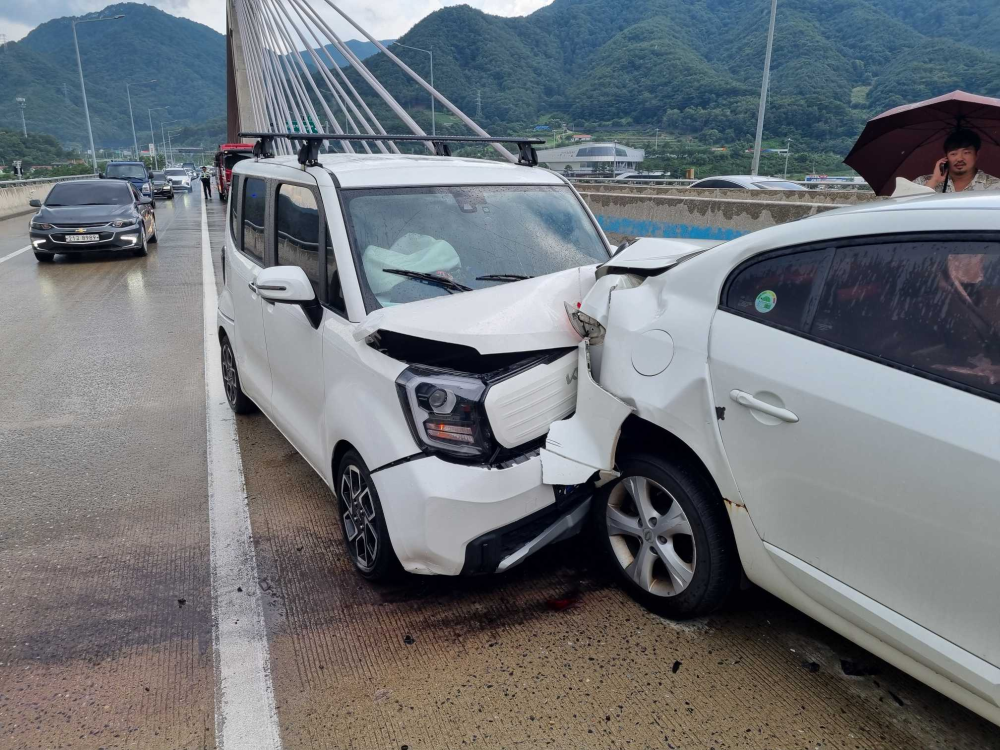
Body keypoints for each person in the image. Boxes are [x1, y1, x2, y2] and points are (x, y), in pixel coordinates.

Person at [915, 129, 1000, 193]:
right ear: (946, 156)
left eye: (966, 152)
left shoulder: (995, 186)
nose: (959, 159)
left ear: (976, 154)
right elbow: (907, 208)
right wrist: (934, 181)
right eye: (953, 153)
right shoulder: (922, 182)